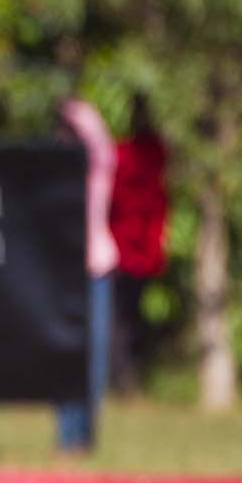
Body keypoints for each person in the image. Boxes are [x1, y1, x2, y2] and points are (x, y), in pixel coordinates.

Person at [56, 93, 117, 453]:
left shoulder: (95, 171)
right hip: (61, 272)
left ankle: (85, 436)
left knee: (93, 357)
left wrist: (80, 113)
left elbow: (102, 148)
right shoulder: (55, 176)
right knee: (62, 354)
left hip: (95, 269)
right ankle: (66, 436)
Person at [109, 93, 169, 395]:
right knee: (125, 320)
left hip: (135, 252)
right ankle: (122, 379)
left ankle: (125, 378)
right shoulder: (139, 153)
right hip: (129, 251)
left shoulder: (134, 153)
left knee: (126, 320)